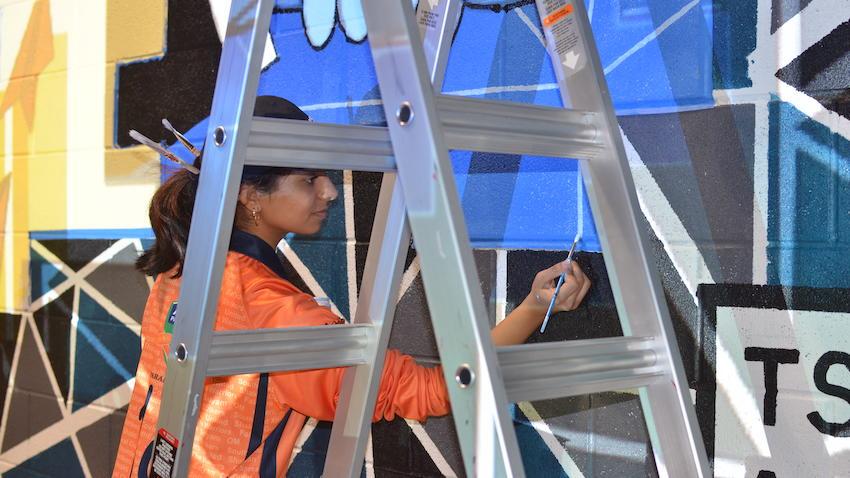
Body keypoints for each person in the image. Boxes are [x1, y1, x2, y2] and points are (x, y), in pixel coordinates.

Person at [113, 96, 591, 477]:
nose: (329, 191)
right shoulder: (275, 309)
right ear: (250, 197)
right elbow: (433, 391)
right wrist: (532, 306)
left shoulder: (178, 276)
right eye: (308, 179)